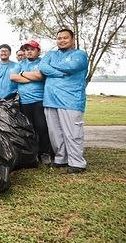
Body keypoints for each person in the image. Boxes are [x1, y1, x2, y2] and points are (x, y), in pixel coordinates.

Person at [38, 29, 88, 173]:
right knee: (55, 133)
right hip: (50, 100)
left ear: (72, 39)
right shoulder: (51, 54)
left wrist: (51, 69)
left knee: (72, 133)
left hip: (70, 100)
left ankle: (77, 163)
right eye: (59, 38)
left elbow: (73, 67)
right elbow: (42, 67)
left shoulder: (79, 54)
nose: (62, 40)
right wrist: (60, 73)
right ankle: (61, 159)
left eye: (65, 38)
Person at [10, 40, 52, 165]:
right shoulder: (21, 63)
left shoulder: (42, 62)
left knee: (42, 128)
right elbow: (12, 77)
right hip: (24, 102)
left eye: (32, 49)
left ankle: (45, 153)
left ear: (38, 51)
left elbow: (40, 76)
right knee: (28, 129)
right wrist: (31, 78)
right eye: (26, 49)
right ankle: (32, 154)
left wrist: (22, 74)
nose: (28, 51)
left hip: (39, 100)